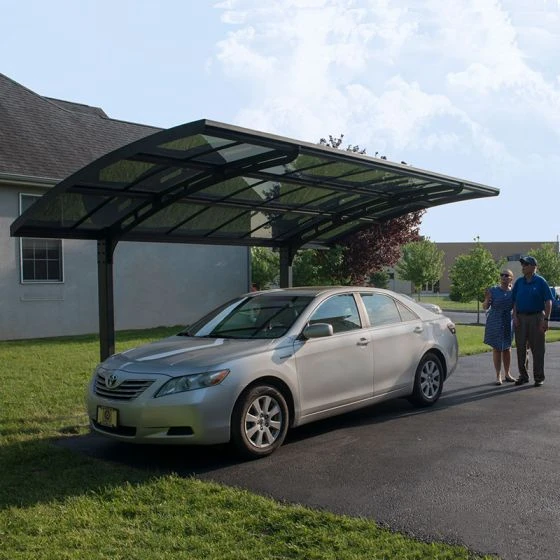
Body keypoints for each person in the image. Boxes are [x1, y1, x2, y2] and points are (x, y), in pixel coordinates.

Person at [511, 256, 552, 387]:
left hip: (537, 317)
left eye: (526, 264)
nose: (523, 267)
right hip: (521, 318)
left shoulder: (540, 282)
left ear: (533, 267)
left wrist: (546, 319)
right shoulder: (519, 282)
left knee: (538, 349)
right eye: (522, 265)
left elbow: (548, 301)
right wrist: (515, 316)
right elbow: (514, 301)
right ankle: (523, 376)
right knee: (521, 349)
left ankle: (539, 377)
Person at [483, 269, 516, 385]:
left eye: (506, 275)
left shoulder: (513, 292)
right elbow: (485, 307)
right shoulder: (493, 290)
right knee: (497, 348)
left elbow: (515, 307)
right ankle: (498, 375)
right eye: (502, 275)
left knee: (507, 348)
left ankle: (507, 374)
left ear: (511, 278)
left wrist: (515, 319)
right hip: (495, 320)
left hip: (507, 320)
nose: (503, 277)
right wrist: (487, 299)